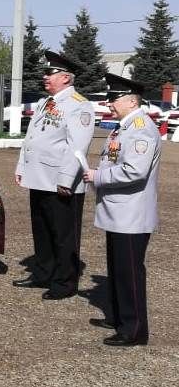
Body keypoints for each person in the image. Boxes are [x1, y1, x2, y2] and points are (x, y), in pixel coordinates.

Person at [83, 74, 159, 347]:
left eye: (114, 98)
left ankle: (134, 329)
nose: (110, 103)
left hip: (131, 214)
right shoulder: (124, 126)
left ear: (130, 100)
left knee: (129, 272)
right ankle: (119, 317)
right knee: (118, 269)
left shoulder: (140, 128)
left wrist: (97, 177)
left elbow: (135, 172)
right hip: (119, 211)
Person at [13, 51, 94, 300]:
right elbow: (32, 139)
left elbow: (77, 146)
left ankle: (64, 282)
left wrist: (65, 179)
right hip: (39, 176)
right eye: (46, 73)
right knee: (42, 229)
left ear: (66, 78)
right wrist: (22, 167)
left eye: (50, 73)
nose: (45, 76)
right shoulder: (44, 102)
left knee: (63, 234)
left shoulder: (79, 105)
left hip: (59, 179)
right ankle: (43, 273)